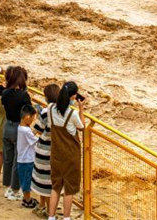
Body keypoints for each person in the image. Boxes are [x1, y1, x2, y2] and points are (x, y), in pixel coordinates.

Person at [47, 81, 86, 220]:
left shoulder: (50, 108)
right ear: (73, 96)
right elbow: (82, 127)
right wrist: (81, 109)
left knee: (56, 186)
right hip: (71, 156)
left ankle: (51, 217)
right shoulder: (73, 114)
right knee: (69, 189)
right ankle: (66, 217)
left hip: (56, 154)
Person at [1, 66, 31, 200]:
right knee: (17, 160)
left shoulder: (5, 93)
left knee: (7, 159)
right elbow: (28, 111)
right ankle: (15, 189)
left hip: (8, 126)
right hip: (19, 128)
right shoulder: (24, 95)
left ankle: (7, 186)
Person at [31, 84, 60, 216]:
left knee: (42, 180)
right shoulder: (64, 111)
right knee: (51, 182)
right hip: (57, 151)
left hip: (43, 150)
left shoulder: (45, 112)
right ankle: (49, 210)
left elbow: (36, 130)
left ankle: (45, 208)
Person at [17, 104, 39, 209]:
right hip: (27, 159)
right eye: (33, 119)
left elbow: (30, 135)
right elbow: (35, 141)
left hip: (22, 159)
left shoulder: (21, 128)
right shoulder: (26, 130)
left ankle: (26, 198)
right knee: (27, 181)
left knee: (24, 179)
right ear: (27, 117)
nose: (33, 121)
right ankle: (27, 200)